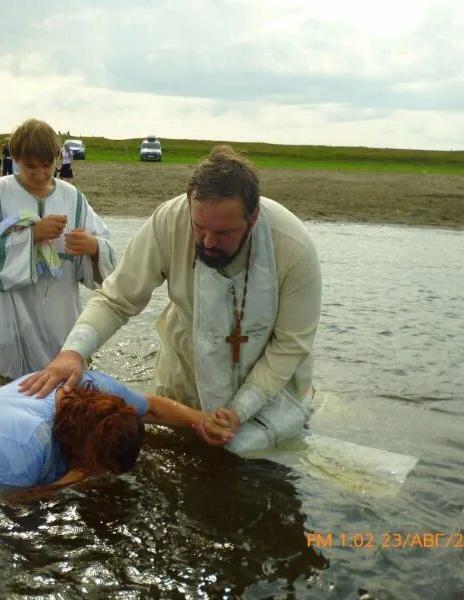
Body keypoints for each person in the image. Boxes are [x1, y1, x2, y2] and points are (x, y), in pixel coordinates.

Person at [20, 145, 322, 456]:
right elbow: (116, 298)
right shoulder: (170, 221)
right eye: (199, 227)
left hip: (269, 390)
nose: (207, 242)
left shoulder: (293, 247)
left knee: (262, 472)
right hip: (184, 380)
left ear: (253, 216)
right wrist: (73, 351)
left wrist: (240, 410)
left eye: (223, 233)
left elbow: (291, 345)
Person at [0, 118, 116, 382]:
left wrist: (92, 248)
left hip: (62, 316)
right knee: (16, 389)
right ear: (17, 159)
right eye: (30, 166)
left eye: (47, 166)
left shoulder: (73, 197)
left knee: (67, 391)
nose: (40, 174)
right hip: (15, 314)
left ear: (56, 159)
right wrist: (32, 235)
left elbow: (107, 251)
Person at [0, 370, 233, 491]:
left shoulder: (98, 390)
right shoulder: (21, 445)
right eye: (99, 468)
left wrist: (205, 422)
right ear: (82, 454)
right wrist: (69, 483)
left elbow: (151, 406)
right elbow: (1, 500)